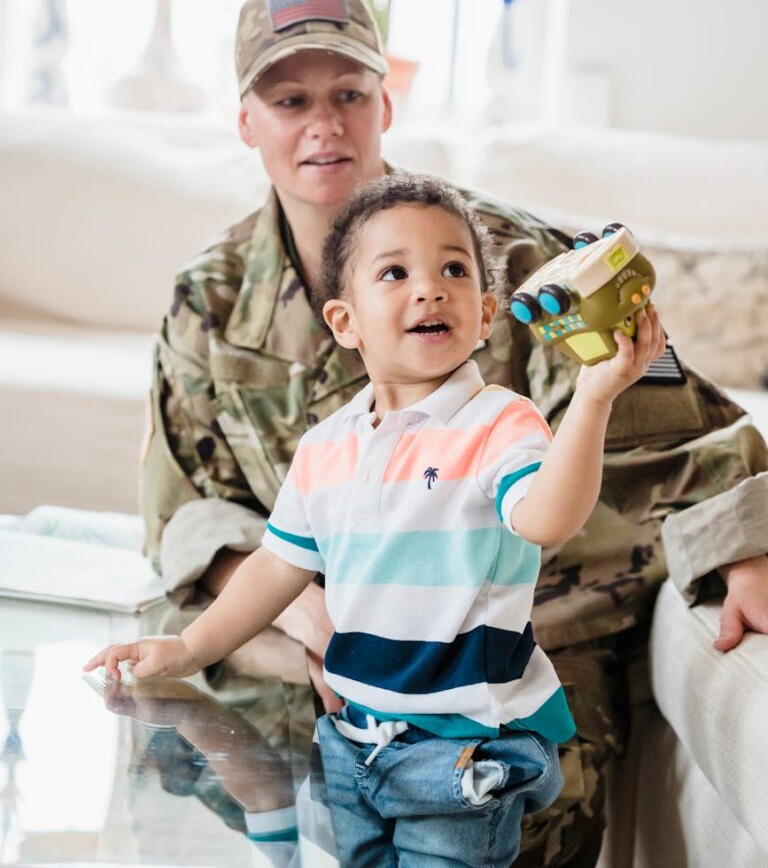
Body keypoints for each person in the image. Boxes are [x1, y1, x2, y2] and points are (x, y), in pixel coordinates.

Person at [138, 0, 768, 865]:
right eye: (290, 99)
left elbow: (686, 422)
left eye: (349, 94)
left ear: (383, 106)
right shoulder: (208, 298)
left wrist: (745, 544)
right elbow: (181, 508)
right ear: (249, 123)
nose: (325, 124)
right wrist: (306, 610)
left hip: (506, 656)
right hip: (305, 650)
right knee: (200, 779)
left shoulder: (520, 260)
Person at [86, 175, 668, 867]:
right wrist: (188, 649)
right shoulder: (327, 446)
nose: (430, 288)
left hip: (466, 748)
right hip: (355, 736)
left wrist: (595, 400)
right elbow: (277, 566)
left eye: (453, 269)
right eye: (395, 272)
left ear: (485, 316)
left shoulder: (498, 423)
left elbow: (546, 517)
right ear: (345, 322)